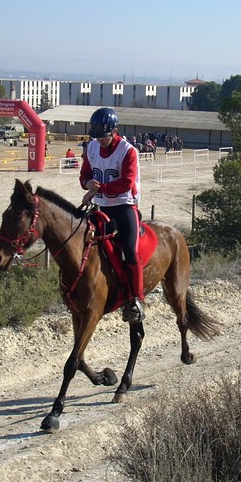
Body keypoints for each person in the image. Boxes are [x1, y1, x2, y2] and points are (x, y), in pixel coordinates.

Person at [79, 107, 144, 323]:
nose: (100, 141)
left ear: (114, 131)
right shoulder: (92, 148)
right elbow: (85, 174)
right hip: (100, 207)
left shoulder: (128, 151)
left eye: (104, 136)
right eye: (97, 137)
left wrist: (99, 189)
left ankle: (137, 299)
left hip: (124, 206)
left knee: (131, 253)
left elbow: (126, 182)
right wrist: (88, 183)